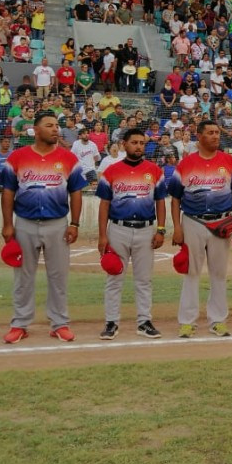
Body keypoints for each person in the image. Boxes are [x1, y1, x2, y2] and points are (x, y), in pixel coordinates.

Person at [0, 111, 88, 344]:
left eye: (56, 126)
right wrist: (8, 224)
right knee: (23, 277)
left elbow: (76, 192)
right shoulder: (17, 157)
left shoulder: (69, 158)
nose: (55, 129)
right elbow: (8, 191)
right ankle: (19, 324)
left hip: (57, 223)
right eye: (49, 125)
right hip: (25, 224)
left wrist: (75, 223)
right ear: (35, 130)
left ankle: (59, 324)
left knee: (58, 277)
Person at [169, 120, 232, 337]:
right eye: (210, 133)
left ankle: (218, 320)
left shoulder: (229, 161)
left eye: (217, 133)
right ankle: (187, 321)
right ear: (200, 136)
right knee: (191, 272)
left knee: (219, 274)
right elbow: (175, 198)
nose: (215, 136)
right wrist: (177, 227)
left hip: (221, 222)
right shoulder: (185, 164)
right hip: (193, 221)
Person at [95, 128, 167, 341]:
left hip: (146, 229)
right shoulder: (111, 171)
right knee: (114, 277)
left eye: (142, 143)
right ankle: (111, 322)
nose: (138, 146)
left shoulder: (154, 171)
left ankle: (144, 322)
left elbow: (160, 201)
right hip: (118, 229)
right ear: (124, 144)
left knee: (144, 279)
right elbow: (104, 205)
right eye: (134, 142)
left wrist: (161, 230)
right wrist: (102, 235)